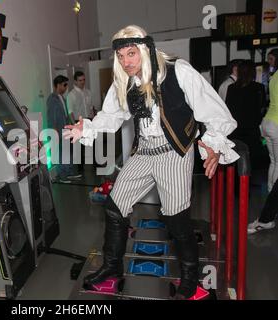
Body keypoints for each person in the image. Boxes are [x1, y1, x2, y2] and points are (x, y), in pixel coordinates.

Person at [63, 25, 239, 299]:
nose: (126, 61)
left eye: (131, 53)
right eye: (121, 56)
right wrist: (85, 128)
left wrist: (214, 145)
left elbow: (215, 110)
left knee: (176, 219)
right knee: (115, 205)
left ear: (145, 50)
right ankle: (111, 267)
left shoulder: (178, 71)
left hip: (173, 152)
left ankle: (190, 279)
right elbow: (111, 116)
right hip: (144, 152)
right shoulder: (125, 81)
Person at [226, 60, 266, 168]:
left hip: (235, 130)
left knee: (236, 160)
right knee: (252, 162)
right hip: (251, 129)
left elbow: (228, 109)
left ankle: (236, 183)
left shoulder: (231, 88)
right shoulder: (258, 88)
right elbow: (261, 108)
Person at [47, 75, 81, 183]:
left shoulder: (62, 97)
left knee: (68, 151)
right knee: (61, 153)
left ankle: (69, 172)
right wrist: (54, 130)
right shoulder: (52, 99)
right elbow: (51, 116)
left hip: (66, 129)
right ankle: (62, 176)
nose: (66, 87)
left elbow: (66, 114)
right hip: (58, 130)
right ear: (58, 85)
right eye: (64, 85)